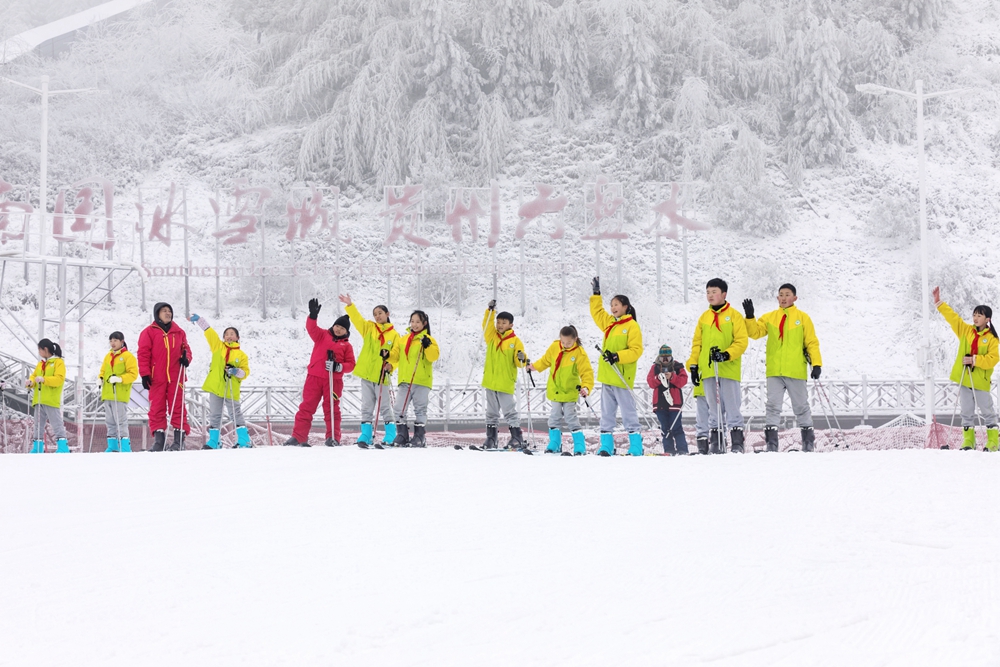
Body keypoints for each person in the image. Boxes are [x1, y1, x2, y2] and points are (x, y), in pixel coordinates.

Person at [742, 284, 823, 452]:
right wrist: (750, 317)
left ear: (794, 298)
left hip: (795, 370)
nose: (784, 297)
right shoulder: (770, 317)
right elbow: (755, 333)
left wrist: (816, 364)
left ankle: (807, 442)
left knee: (801, 405)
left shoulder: (803, 318)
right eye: (781, 295)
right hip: (775, 371)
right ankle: (772, 443)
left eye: (787, 294)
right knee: (772, 405)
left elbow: (811, 342)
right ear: (777, 298)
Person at [934, 286, 999, 451]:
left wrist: (975, 359)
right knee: (966, 411)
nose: (975, 318)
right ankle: (968, 441)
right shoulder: (966, 331)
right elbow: (953, 318)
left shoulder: (991, 339)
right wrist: (939, 303)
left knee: (987, 411)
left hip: (980, 381)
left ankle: (993, 442)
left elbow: (993, 359)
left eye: (979, 315)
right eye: (974, 315)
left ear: (987, 319)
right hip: (965, 378)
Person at [285, 298, 356, 447]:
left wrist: (338, 367)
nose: (338, 329)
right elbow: (311, 328)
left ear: (346, 332)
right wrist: (313, 316)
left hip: (333, 381)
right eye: (337, 326)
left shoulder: (346, 346)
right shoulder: (322, 335)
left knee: (331, 409)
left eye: (342, 328)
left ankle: (333, 437)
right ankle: (298, 436)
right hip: (314, 378)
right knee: (306, 407)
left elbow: (351, 365)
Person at [688, 278, 748, 454]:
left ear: (723, 294)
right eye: (707, 292)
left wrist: (726, 354)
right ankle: (716, 442)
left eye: (714, 292)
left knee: (731, 406)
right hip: (708, 370)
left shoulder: (734, 316)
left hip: (728, 369)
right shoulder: (704, 318)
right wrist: (693, 365)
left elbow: (741, 341)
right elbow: (697, 344)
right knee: (713, 409)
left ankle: (737, 443)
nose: (710, 295)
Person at [590, 276, 644, 456]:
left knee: (628, 412)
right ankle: (606, 444)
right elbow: (597, 313)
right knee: (607, 413)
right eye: (611, 305)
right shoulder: (610, 324)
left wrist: (617, 356)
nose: (613, 308)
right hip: (607, 376)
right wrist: (596, 295)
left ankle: (636, 444)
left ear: (626, 307)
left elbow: (636, 350)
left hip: (622, 377)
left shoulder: (631, 326)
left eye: (616, 305)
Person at [340, 294, 399, 447]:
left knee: (385, 406)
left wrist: (390, 365)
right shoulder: (369, 328)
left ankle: (391, 434)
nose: (377, 316)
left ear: (387, 314)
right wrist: (350, 305)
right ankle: (366, 434)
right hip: (366, 374)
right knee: (367, 406)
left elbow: (397, 355)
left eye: (380, 313)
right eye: (375, 314)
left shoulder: (394, 335)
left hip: (381, 375)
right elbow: (357, 319)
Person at [529, 325, 594, 455]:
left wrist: (586, 387)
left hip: (569, 392)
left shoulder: (579, 353)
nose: (565, 345)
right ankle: (555, 443)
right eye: (563, 342)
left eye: (569, 343)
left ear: (575, 339)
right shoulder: (555, 347)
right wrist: (534, 367)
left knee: (571, 417)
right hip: (555, 391)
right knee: (554, 417)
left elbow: (586, 372)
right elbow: (546, 360)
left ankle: (580, 445)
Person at [190, 314, 251, 449]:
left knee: (235, 413)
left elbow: (245, 372)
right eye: (226, 334)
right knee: (215, 414)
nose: (229, 336)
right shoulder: (218, 347)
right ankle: (214, 440)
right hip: (216, 387)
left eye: (232, 334)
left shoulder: (241, 355)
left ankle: (244, 439)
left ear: (237, 338)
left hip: (231, 387)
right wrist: (200, 320)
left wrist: (236, 371)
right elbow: (210, 333)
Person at [137, 302, 192, 452]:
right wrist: (145, 373)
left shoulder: (179, 332)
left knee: (178, 407)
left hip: (176, 376)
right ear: (157, 314)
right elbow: (143, 353)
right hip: (157, 377)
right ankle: (159, 441)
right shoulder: (149, 332)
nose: (168, 313)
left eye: (169, 311)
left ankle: (179, 440)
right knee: (156, 407)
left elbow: (186, 349)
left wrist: (186, 359)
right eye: (164, 311)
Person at [389, 310, 440, 448]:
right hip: (405, 380)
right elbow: (396, 355)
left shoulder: (429, 339)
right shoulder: (403, 339)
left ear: (424, 323)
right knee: (399, 408)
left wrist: (427, 345)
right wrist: (387, 354)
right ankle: (402, 434)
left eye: (418, 322)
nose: (414, 324)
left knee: (420, 409)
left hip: (421, 381)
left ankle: (419, 436)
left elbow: (433, 357)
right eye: (412, 321)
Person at [481, 300, 528, 449]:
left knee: (509, 411)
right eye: (498, 322)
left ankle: (516, 437)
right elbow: (486, 325)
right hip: (490, 381)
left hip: (505, 382)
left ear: (511, 325)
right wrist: (490, 311)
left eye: (504, 323)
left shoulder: (515, 341)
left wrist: (522, 359)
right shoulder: (492, 337)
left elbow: (519, 362)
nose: (500, 325)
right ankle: (491, 438)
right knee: (491, 412)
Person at [98, 332, 138, 452]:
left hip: (119, 393)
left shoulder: (127, 356)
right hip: (107, 393)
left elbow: (133, 374)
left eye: (115, 340)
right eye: (111, 341)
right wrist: (100, 378)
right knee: (109, 421)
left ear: (122, 341)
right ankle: (113, 445)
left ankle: (125, 445)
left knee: (120, 421)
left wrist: (121, 379)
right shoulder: (108, 356)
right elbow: (103, 370)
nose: (113, 343)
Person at [646, 345, 689, 455]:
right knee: (665, 429)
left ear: (671, 357)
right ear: (659, 357)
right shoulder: (654, 368)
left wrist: (672, 377)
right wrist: (659, 378)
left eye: (668, 358)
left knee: (677, 427)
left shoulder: (678, 367)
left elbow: (683, 381)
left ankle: (682, 450)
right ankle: (668, 450)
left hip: (675, 403)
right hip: (660, 404)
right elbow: (650, 382)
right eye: (662, 358)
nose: (665, 361)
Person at [27, 339, 68, 453]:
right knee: (38, 425)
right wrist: (31, 382)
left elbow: (59, 379)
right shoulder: (41, 364)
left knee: (56, 424)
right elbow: (34, 376)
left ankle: (63, 447)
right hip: (39, 399)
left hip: (50, 399)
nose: (39, 352)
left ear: (45, 349)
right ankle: (37, 447)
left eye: (40, 349)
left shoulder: (58, 362)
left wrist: (45, 379)